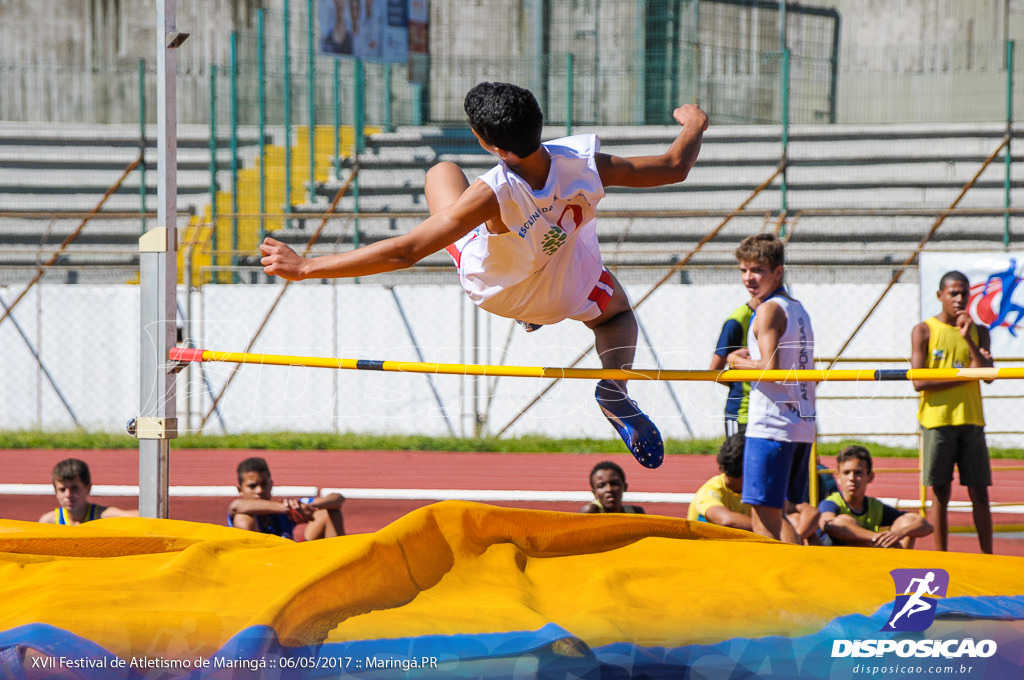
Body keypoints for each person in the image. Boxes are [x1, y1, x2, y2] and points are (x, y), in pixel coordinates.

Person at [260, 82, 709, 470]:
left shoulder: (490, 193)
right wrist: (694, 123)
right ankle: (615, 389)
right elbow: (675, 167)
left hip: (499, 289)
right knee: (617, 315)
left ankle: (528, 310)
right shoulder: (585, 160)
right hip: (564, 284)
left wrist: (306, 267)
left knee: (442, 172)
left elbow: (407, 250)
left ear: (489, 145)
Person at [724, 233, 816, 543]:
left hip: (771, 425)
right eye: (744, 270)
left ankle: (783, 583)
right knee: (780, 512)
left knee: (763, 516)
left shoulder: (769, 310)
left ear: (778, 271)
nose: (749, 278)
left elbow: (771, 370)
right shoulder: (797, 308)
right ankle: (794, 578)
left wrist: (736, 362)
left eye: (757, 270)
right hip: (799, 424)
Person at [911, 270, 994, 554]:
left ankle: (988, 557)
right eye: (953, 293)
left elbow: (987, 375)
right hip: (937, 422)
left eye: (964, 294)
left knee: (979, 492)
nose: (959, 299)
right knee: (940, 493)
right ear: (940, 296)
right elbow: (919, 381)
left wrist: (968, 339)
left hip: (970, 419)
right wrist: (965, 374)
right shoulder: (924, 330)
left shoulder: (979, 331)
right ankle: (942, 556)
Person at [818, 445, 933, 549]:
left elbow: (926, 526)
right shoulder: (830, 503)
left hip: (868, 558)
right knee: (845, 522)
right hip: (833, 559)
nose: (852, 478)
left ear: (870, 476)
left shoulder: (874, 507)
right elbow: (828, 525)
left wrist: (899, 533)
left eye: (858, 473)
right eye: (846, 473)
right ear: (838, 477)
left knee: (908, 522)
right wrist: (876, 537)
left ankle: (897, 566)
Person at [228, 457, 346, 541]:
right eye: (252, 486)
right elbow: (236, 506)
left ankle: (338, 570)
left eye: (264, 484)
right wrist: (287, 508)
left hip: (289, 562)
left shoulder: (289, 505)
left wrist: (305, 507)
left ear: (271, 484)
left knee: (327, 513)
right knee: (242, 518)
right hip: (259, 564)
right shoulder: (282, 507)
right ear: (240, 489)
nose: (259, 490)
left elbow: (337, 498)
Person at [709, 298, 758, 437]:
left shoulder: (783, 314)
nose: (749, 277)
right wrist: (740, 382)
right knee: (737, 458)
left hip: (771, 412)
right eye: (745, 273)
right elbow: (714, 371)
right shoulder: (737, 321)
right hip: (742, 414)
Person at [38, 458, 138, 525]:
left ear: (88, 488)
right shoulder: (49, 521)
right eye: (62, 490)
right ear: (55, 491)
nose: (68, 495)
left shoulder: (101, 516)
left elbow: (143, 517)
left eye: (74, 488)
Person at [687, 433, 751, 530]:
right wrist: (769, 526)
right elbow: (726, 520)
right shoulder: (710, 490)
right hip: (705, 543)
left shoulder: (757, 489)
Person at [581, 461, 645, 514]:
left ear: (625, 487)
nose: (609, 489)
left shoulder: (636, 513)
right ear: (594, 493)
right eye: (601, 485)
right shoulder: (591, 512)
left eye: (614, 483)